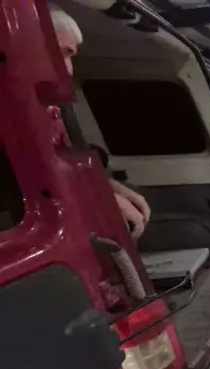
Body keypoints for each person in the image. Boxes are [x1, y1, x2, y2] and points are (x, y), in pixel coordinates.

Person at [50, 5, 151, 239]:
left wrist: (105, 186)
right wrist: (92, 197)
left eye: (71, 56)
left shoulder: (50, 110)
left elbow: (58, 163)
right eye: (61, 53)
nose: (68, 68)